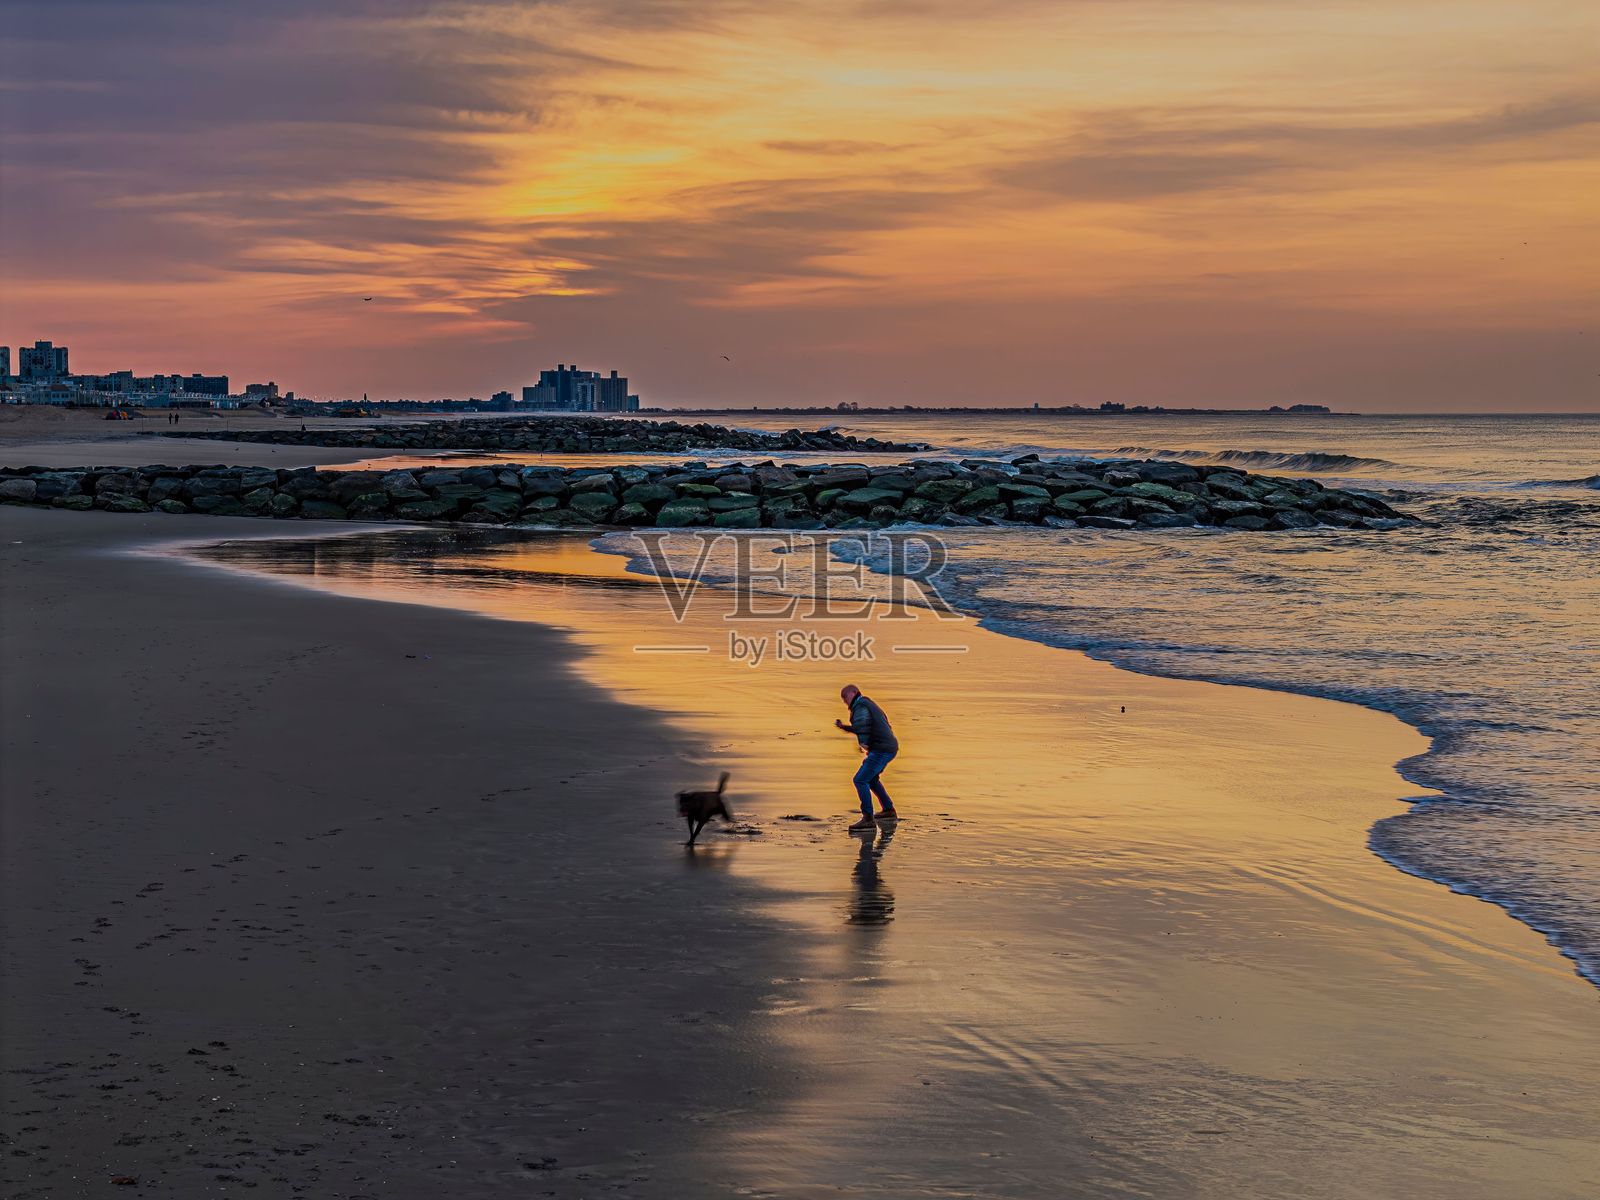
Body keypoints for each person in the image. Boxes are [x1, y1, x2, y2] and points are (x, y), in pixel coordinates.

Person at [834, 684, 899, 831]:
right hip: (888, 747)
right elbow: (880, 723)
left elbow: (863, 727)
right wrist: (845, 727)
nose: (845, 701)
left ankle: (868, 819)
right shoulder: (868, 704)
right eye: (843, 699)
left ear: (855, 693)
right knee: (871, 779)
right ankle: (888, 811)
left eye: (846, 697)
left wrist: (867, 746)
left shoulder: (861, 706)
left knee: (860, 779)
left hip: (882, 749)